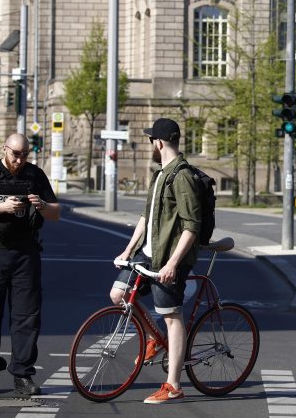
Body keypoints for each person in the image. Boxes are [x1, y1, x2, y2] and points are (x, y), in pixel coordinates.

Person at [111, 118, 201, 405]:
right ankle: (153, 340)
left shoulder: (182, 176)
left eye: (151, 139)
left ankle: (174, 385)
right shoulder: (159, 173)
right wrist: (127, 251)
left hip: (167, 258)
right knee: (119, 294)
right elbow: (145, 217)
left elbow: (192, 225)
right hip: (147, 253)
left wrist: (173, 263)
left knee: (172, 317)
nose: (150, 144)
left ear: (159, 143)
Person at [0, 133, 60, 395]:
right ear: (4, 149)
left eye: (25, 154)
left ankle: (23, 375)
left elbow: (56, 213)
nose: (20, 159)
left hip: (25, 253)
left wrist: (41, 206)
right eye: (15, 153)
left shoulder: (35, 175)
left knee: (27, 317)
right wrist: (1, 208)